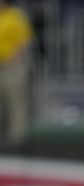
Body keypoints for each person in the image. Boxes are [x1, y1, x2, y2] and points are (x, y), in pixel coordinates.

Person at [0, 0, 34, 145]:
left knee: (15, 99)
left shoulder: (15, 16)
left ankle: (17, 137)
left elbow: (24, 39)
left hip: (12, 65)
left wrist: (16, 55)